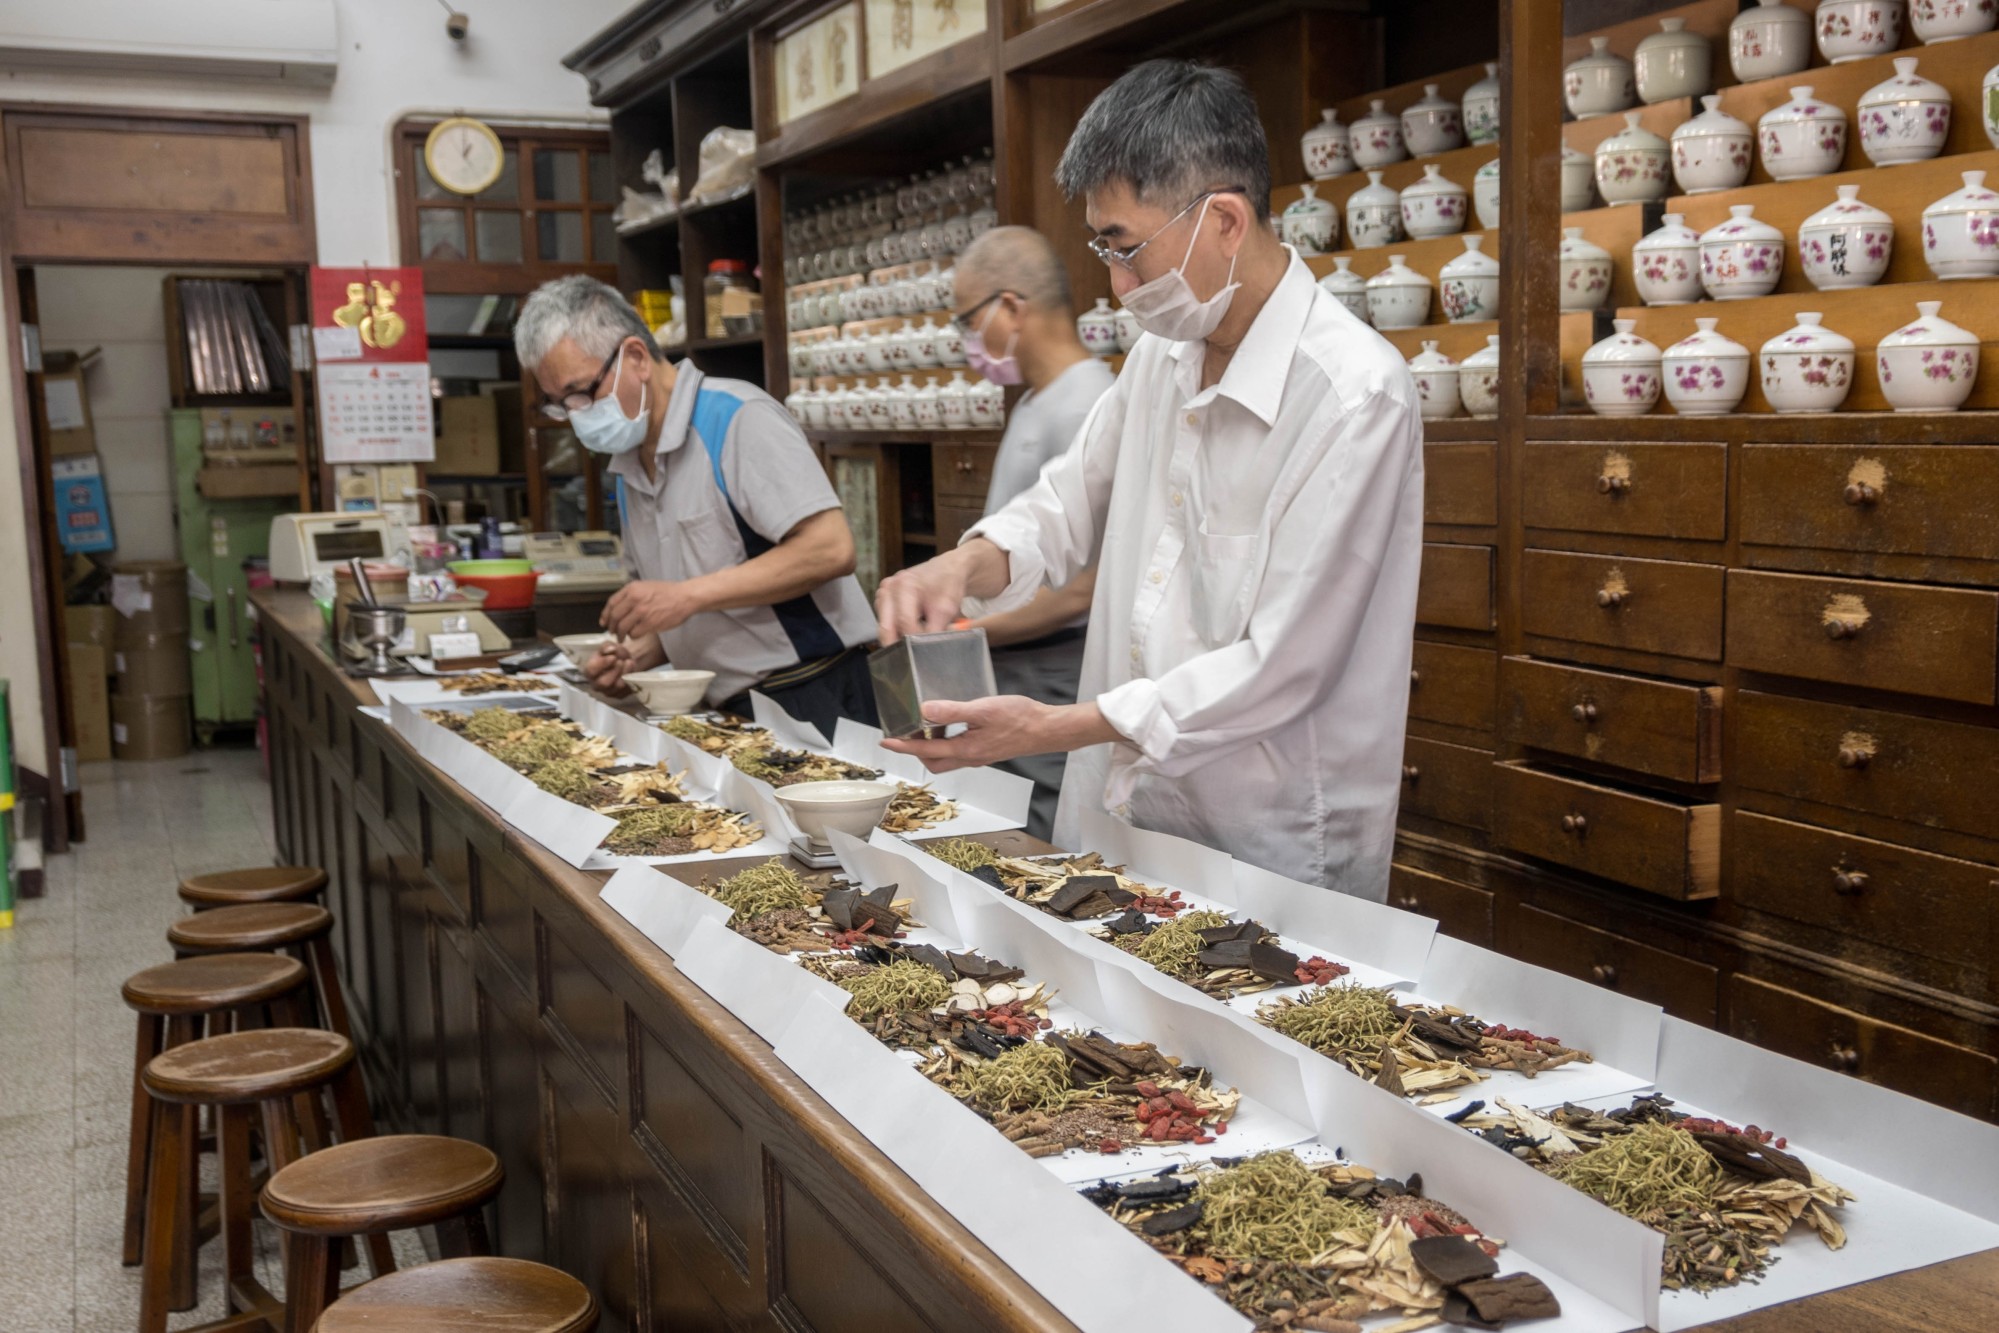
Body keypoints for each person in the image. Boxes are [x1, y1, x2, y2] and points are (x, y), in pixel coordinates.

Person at [871, 60, 1424, 900]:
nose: (1116, 284)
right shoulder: (1162, 356)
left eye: (1126, 248)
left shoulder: (1355, 394)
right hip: (1124, 808)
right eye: (1103, 247)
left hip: (1264, 831)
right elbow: (1065, 499)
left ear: (1225, 220)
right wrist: (964, 564)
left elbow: (1283, 664)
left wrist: (1057, 725)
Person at [515, 275, 880, 739]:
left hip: (812, 690)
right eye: (559, 404)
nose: (576, 414)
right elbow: (698, 608)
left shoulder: (736, 417)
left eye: (582, 392)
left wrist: (685, 597)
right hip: (726, 706)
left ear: (636, 357)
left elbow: (830, 550)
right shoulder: (628, 464)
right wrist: (641, 654)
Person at [951, 225, 1114, 840]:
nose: (968, 340)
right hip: (1011, 659)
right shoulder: (1036, 400)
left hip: (1054, 666)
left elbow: (1085, 587)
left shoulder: (1087, 403)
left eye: (968, 321)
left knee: (1042, 842)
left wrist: (962, 627)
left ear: (1010, 307)